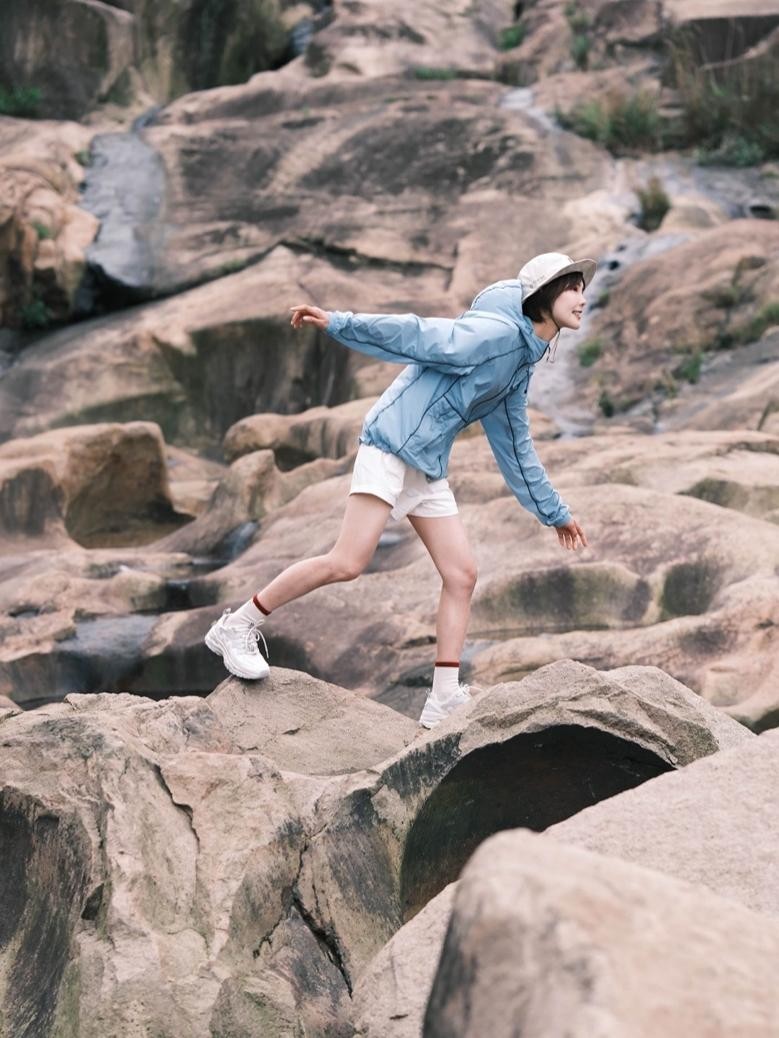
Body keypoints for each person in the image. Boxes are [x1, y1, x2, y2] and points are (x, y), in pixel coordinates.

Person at [205, 251, 594, 727]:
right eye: (571, 288)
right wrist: (340, 323)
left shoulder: (518, 364)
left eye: (583, 288)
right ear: (544, 296)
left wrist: (556, 512)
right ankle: (237, 626)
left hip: (425, 462)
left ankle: (444, 699)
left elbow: (515, 446)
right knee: (347, 562)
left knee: (462, 574)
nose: (581, 298)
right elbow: (419, 335)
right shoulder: (494, 337)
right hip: (391, 445)